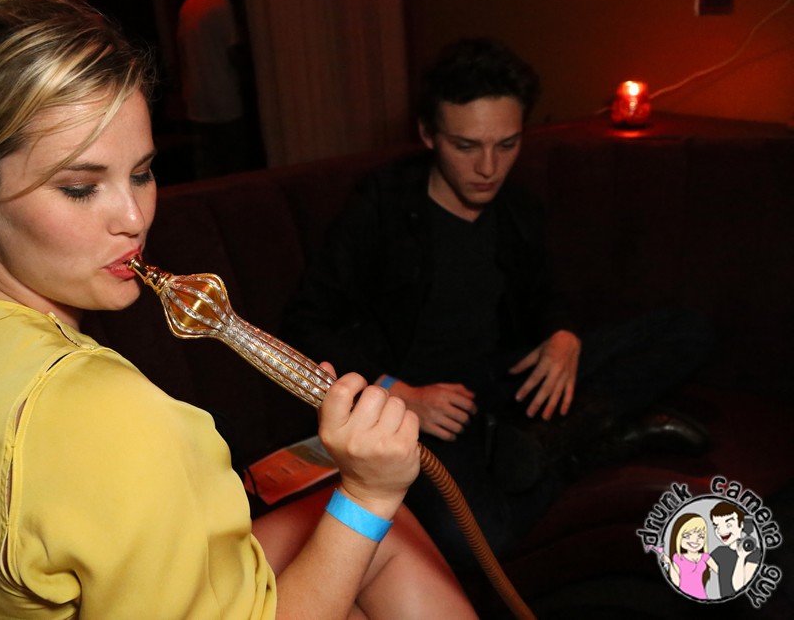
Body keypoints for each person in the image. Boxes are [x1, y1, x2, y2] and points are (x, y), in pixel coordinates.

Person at [0, 0, 476, 619]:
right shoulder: (115, 417)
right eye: (80, 187)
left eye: (141, 173)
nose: (135, 218)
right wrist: (368, 494)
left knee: (386, 546)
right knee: (380, 527)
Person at [281, 37, 715, 569]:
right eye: (466, 146)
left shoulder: (517, 207)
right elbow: (305, 321)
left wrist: (562, 335)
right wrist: (397, 393)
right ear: (429, 134)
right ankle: (587, 446)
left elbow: (546, 295)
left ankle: (552, 440)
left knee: (688, 330)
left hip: (509, 379)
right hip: (428, 407)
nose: (488, 168)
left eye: (506, 145)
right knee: (475, 540)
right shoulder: (381, 205)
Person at [175, 0, 251, 178]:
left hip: (199, 101)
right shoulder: (221, 6)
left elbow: (183, 57)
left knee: (208, 169)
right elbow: (234, 52)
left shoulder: (186, 9)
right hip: (224, 99)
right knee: (235, 166)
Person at [709, 502, 762, 597]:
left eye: (728, 525)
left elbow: (739, 587)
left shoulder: (754, 553)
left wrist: (741, 557)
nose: (721, 530)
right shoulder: (719, 552)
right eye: (716, 526)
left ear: (741, 524)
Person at [661, 513, 717, 599]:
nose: (695, 540)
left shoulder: (705, 557)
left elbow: (721, 572)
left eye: (701, 536)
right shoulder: (678, 558)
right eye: (687, 536)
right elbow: (676, 582)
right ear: (678, 537)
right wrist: (668, 563)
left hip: (701, 596)